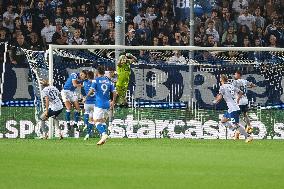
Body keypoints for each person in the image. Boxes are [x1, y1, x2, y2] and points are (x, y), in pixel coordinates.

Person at [213, 74, 253, 142]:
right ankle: (235, 130)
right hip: (233, 108)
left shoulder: (222, 87)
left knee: (235, 124)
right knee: (223, 121)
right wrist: (237, 99)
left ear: (221, 80)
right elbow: (241, 92)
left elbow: (220, 97)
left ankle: (248, 136)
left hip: (233, 109)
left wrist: (215, 101)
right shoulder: (231, 86)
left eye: (220, 79)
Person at [88, 66, 116, 145]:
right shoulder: (109, 81)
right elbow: (114, 92)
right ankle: (104, 139)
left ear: (97, 73)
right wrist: (113, 101)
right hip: (107, 104)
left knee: (96, 121)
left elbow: (92, 90)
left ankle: (104, 135)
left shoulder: (95, 81)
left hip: (99, 104)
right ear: (104, 72)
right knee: (103, 121)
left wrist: (86, 97)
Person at [232, 70, 256, 137]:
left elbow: (236, 91)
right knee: (245, 114)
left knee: (236, 117)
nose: (234, 75)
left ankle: (238, 132)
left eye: (235, 74)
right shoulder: (245, 81)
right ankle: (249, 126)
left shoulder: (235, 82)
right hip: (245, 101)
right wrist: (246, 88)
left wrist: (237, 100)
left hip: (239, 102)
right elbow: (254, 85)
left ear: (239, 75)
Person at [82, 71, 96, 140]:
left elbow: (83, 91)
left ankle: (85, 124)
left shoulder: (84, 83)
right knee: (91, 119)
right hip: (94, 103)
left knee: (86, 112)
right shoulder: (95, 83)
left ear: (87, 76)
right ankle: (88, 133)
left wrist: (84, 97)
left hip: (87, 102)